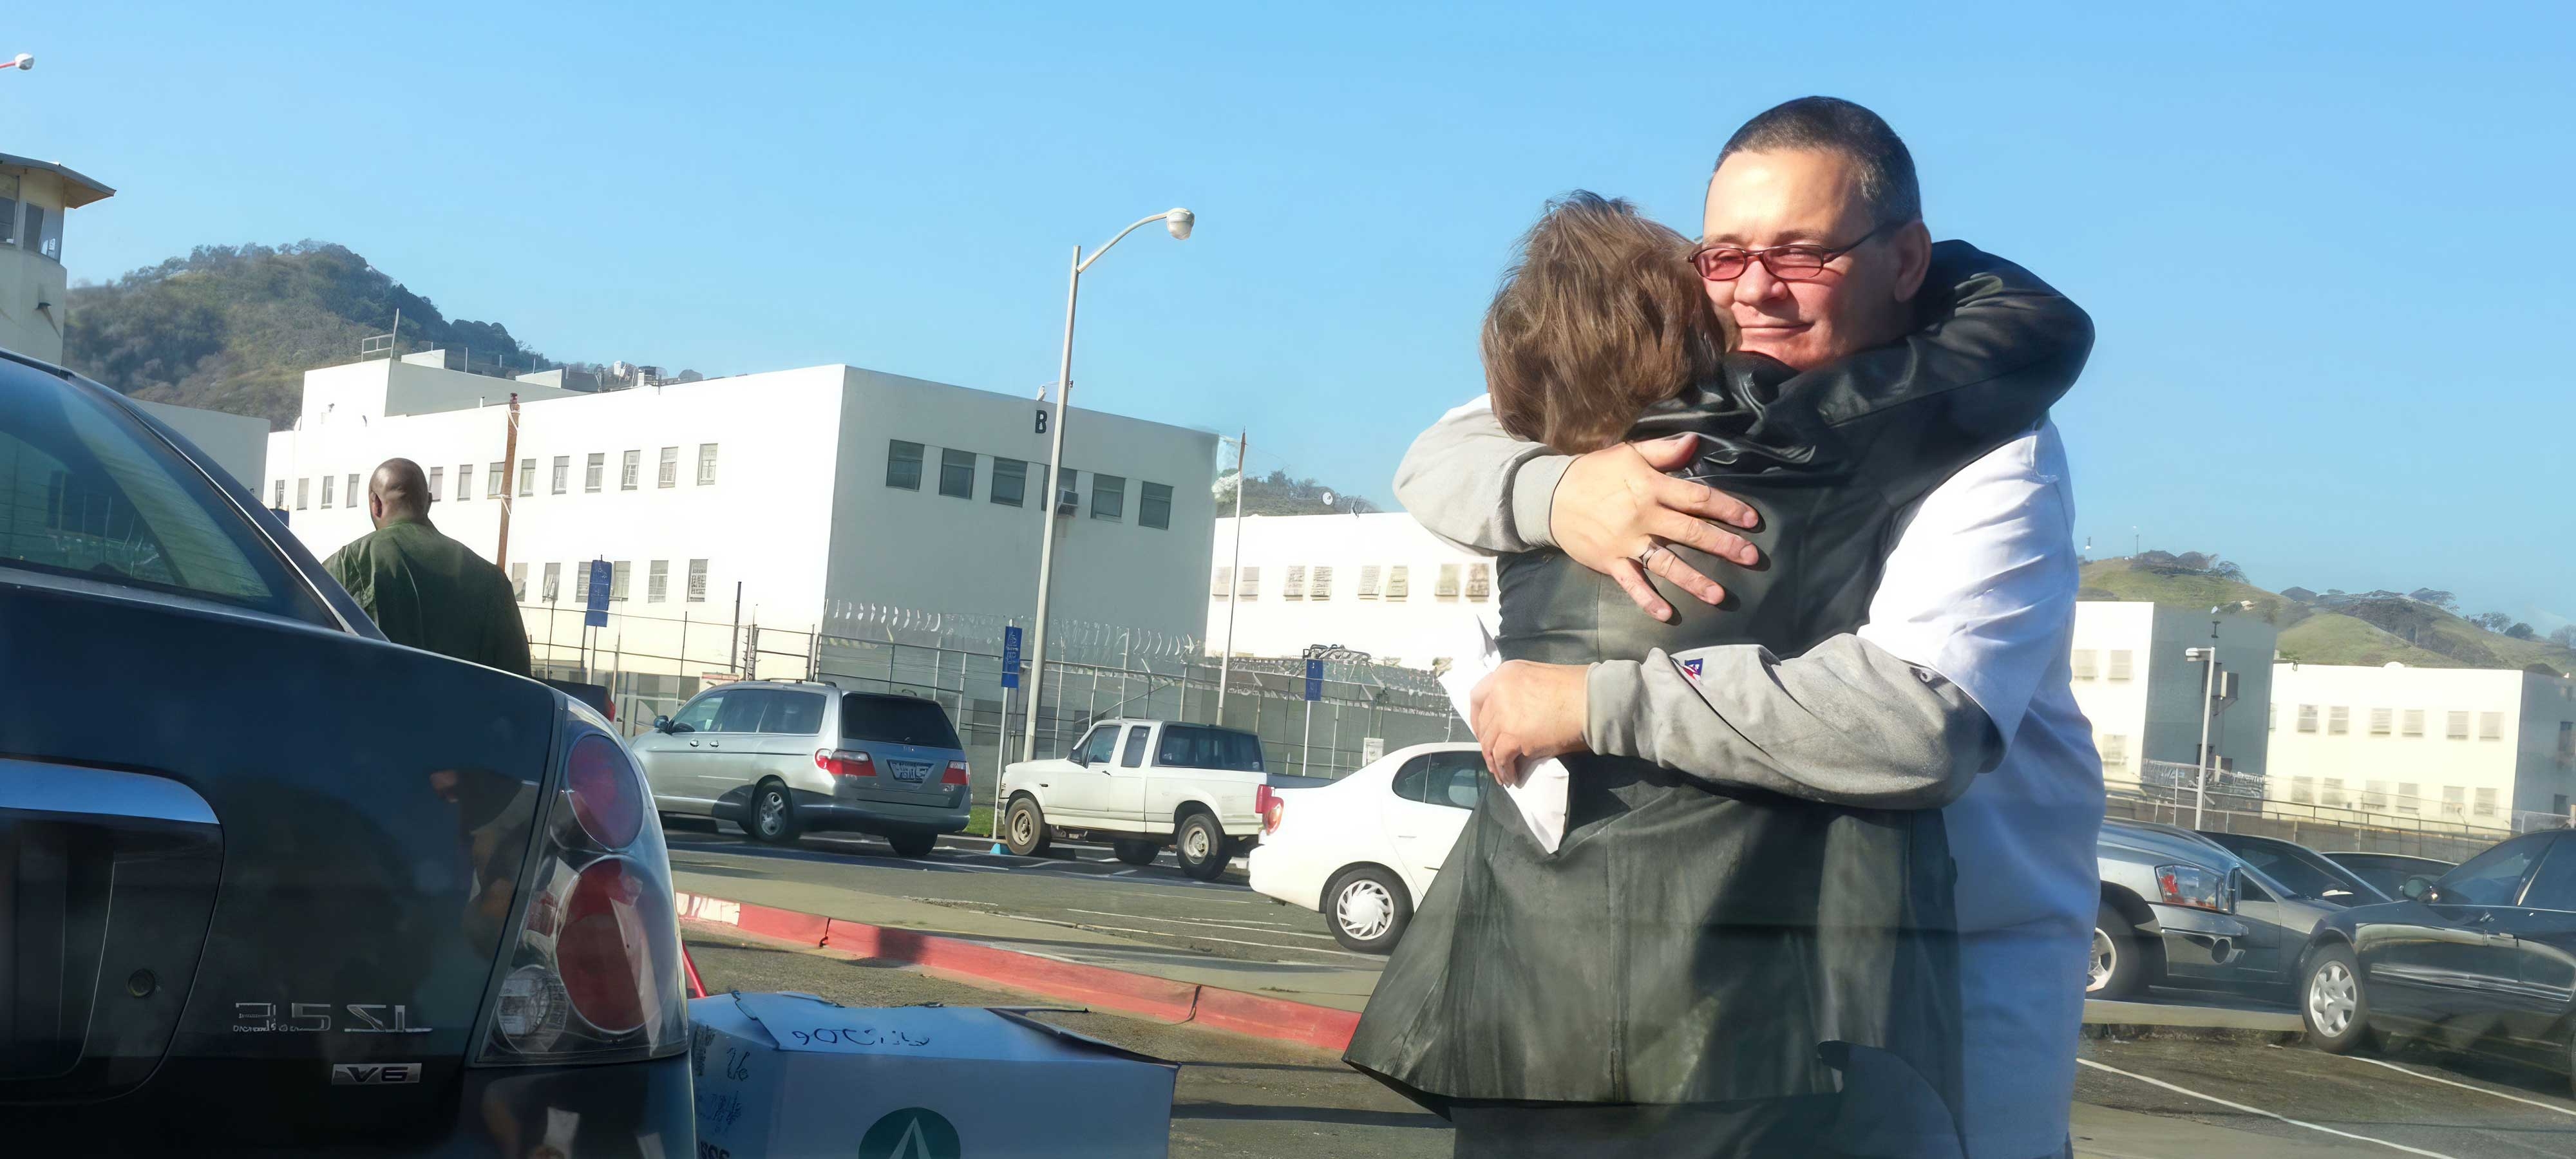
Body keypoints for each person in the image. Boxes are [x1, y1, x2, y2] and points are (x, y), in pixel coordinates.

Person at [1394, 97, 2103, 1159]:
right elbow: (1438, 458)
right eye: (1725, 256)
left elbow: (1919, 721)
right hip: (1704, 977)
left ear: (1908, 260)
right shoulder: (1683, 388)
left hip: (1955, 969)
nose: (1755, 289)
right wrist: (1562, 491)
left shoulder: (1994, 443)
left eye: (1802, 254)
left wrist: (1592, 702)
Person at [325, 457, 534, 677]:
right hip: (463, 700)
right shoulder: (493, 579)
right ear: (429, 502)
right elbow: (518, 679)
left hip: (374, 697)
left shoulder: (350, 562)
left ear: (376, 503)